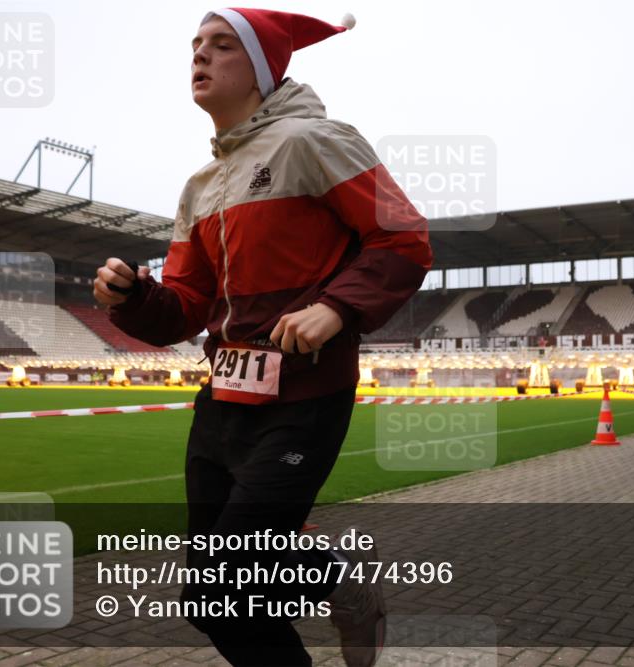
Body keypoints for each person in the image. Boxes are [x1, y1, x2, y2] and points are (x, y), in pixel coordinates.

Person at [93, 9, 432, 666]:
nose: (200, 55)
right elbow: (185, 308)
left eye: (222, 45)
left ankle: (337, 583)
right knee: (213, 603)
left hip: (304, 398)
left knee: (226, 583)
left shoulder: (313, 140)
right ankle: (335, 581)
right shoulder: (199, 187)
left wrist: (335, 307)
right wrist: (134, 298)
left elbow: (404, 237)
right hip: (221, 402)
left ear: (262, 69)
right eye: (196, 45)